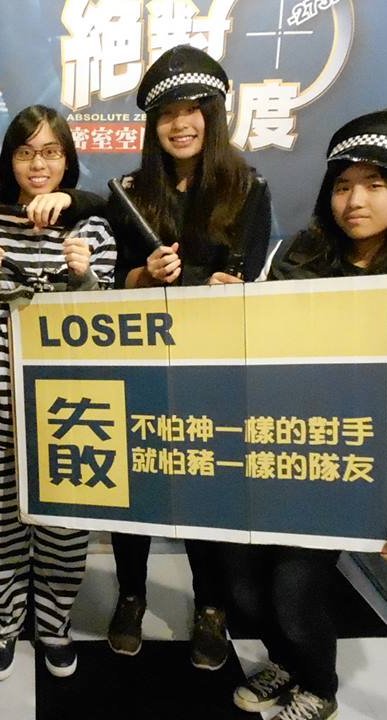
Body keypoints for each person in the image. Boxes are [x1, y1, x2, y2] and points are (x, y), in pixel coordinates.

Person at [228, 109, 387, 720]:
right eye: (342, 185)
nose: (354, 201)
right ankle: (286, 662)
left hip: (335, 468)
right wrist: (229, 307)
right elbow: (250, 346)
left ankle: (319, 687)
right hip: (263, 451)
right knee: (244, 588)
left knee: (294, 591)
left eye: (374, 185)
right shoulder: (294, 255)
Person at [105, 44, 272, 667]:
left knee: (207, 488)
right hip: (140, 362)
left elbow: (245, 281)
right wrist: (145, 276)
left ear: (213, 114)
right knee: (134, 486)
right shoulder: (129, 191)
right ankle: (130, 594)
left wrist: (205, 281)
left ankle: (211, 607)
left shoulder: (248, 189)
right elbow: (112, 282)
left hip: (213, 368)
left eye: (191, 109)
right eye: (166, 113)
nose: (180, 124)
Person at [0, 104, 117, 681]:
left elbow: (108, 329)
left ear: (67, 159)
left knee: (65, 524)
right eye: (25, 152)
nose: (38, 164)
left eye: (50, 152)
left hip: (73, 405)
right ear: (9, 160)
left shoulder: (93, 230)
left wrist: (84, 278)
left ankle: (54, 624)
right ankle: (3, 624)